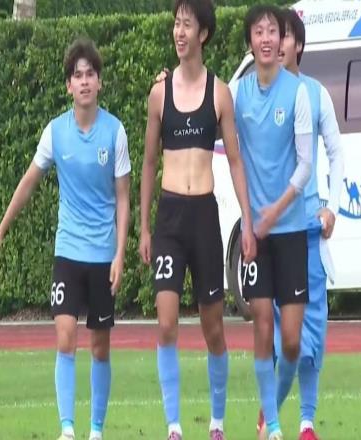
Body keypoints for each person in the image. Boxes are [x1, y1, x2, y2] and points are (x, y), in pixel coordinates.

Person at [0, 38, 131, 440]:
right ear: (68, 85)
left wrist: (120, 254)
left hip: (103, 254)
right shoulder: (55, 132)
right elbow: (28, 182)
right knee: (65, 338)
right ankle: (67, 429)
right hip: (68, 250)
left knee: (100, 347)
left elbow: (123, 198)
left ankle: (95, 430)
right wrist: (0, 232)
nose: (84, 82)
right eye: (77, 76)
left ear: (99, 82)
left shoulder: (115, 132)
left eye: (90, 74)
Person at [140, 1, 256, 438]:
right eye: (176, 23)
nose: (179, 31)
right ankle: (173, 425)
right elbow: (149, 162)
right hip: (170, 218)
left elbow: (237, 162)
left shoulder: (220, 93)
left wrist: (248, 221)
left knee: (214, 329)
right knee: (166, 322)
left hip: (205, 215)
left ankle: (217, 422)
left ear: (203, 33)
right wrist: (144, 227)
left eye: (187, 24)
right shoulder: (159, 93)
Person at [257, 8, 344, 440]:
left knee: (311, 333)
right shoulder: (253, 92)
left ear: (299, 45)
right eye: (271, 33)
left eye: (284, 35)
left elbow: (336, 152)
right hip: (270, 233)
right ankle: (270, 414)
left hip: (308, 231)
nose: (276, 41)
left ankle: (306, 423)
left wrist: (333, 208)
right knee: (279, 337)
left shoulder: (315, 93)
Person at [229, 4, 313, 440]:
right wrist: (249, 221)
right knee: (262, 324)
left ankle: (270, 412)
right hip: (255, 236)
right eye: (259, 32)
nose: (266, 39)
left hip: (290, 229)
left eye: (273, 32)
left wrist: (274, 211)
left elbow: (306, 165)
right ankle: (275, 428)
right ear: (250, 41)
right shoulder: (237, 93)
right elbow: (203, 107)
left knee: (292, 341)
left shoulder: (297, 93)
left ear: (283, 40)